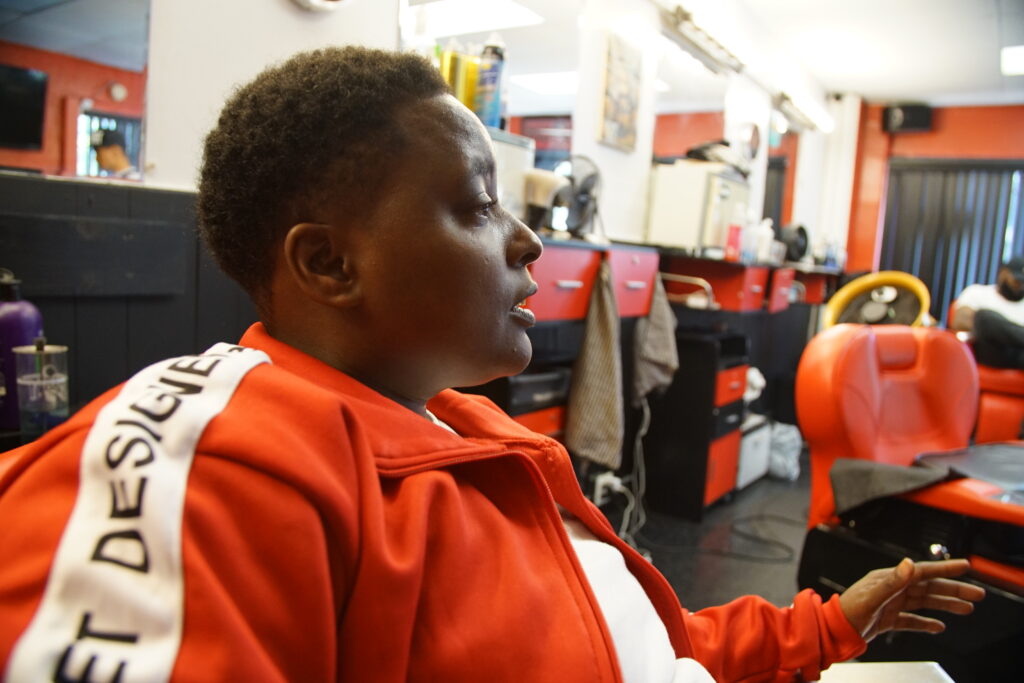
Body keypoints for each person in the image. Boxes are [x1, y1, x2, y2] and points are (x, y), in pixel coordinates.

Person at [0, 47, 984, 682]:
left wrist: (819, 626)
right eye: (475, 204)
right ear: (327, 262)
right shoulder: (210, 462)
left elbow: (654, 644)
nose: (525, 239)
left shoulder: (481, 432)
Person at [952, 256, 1024, 369]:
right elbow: (959, 322)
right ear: (1003, 273)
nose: (1020, 286)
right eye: (1017, 280)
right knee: (983, 317)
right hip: (993, 351)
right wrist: (1001, 330)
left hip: (1020, 355)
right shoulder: (977, 292)